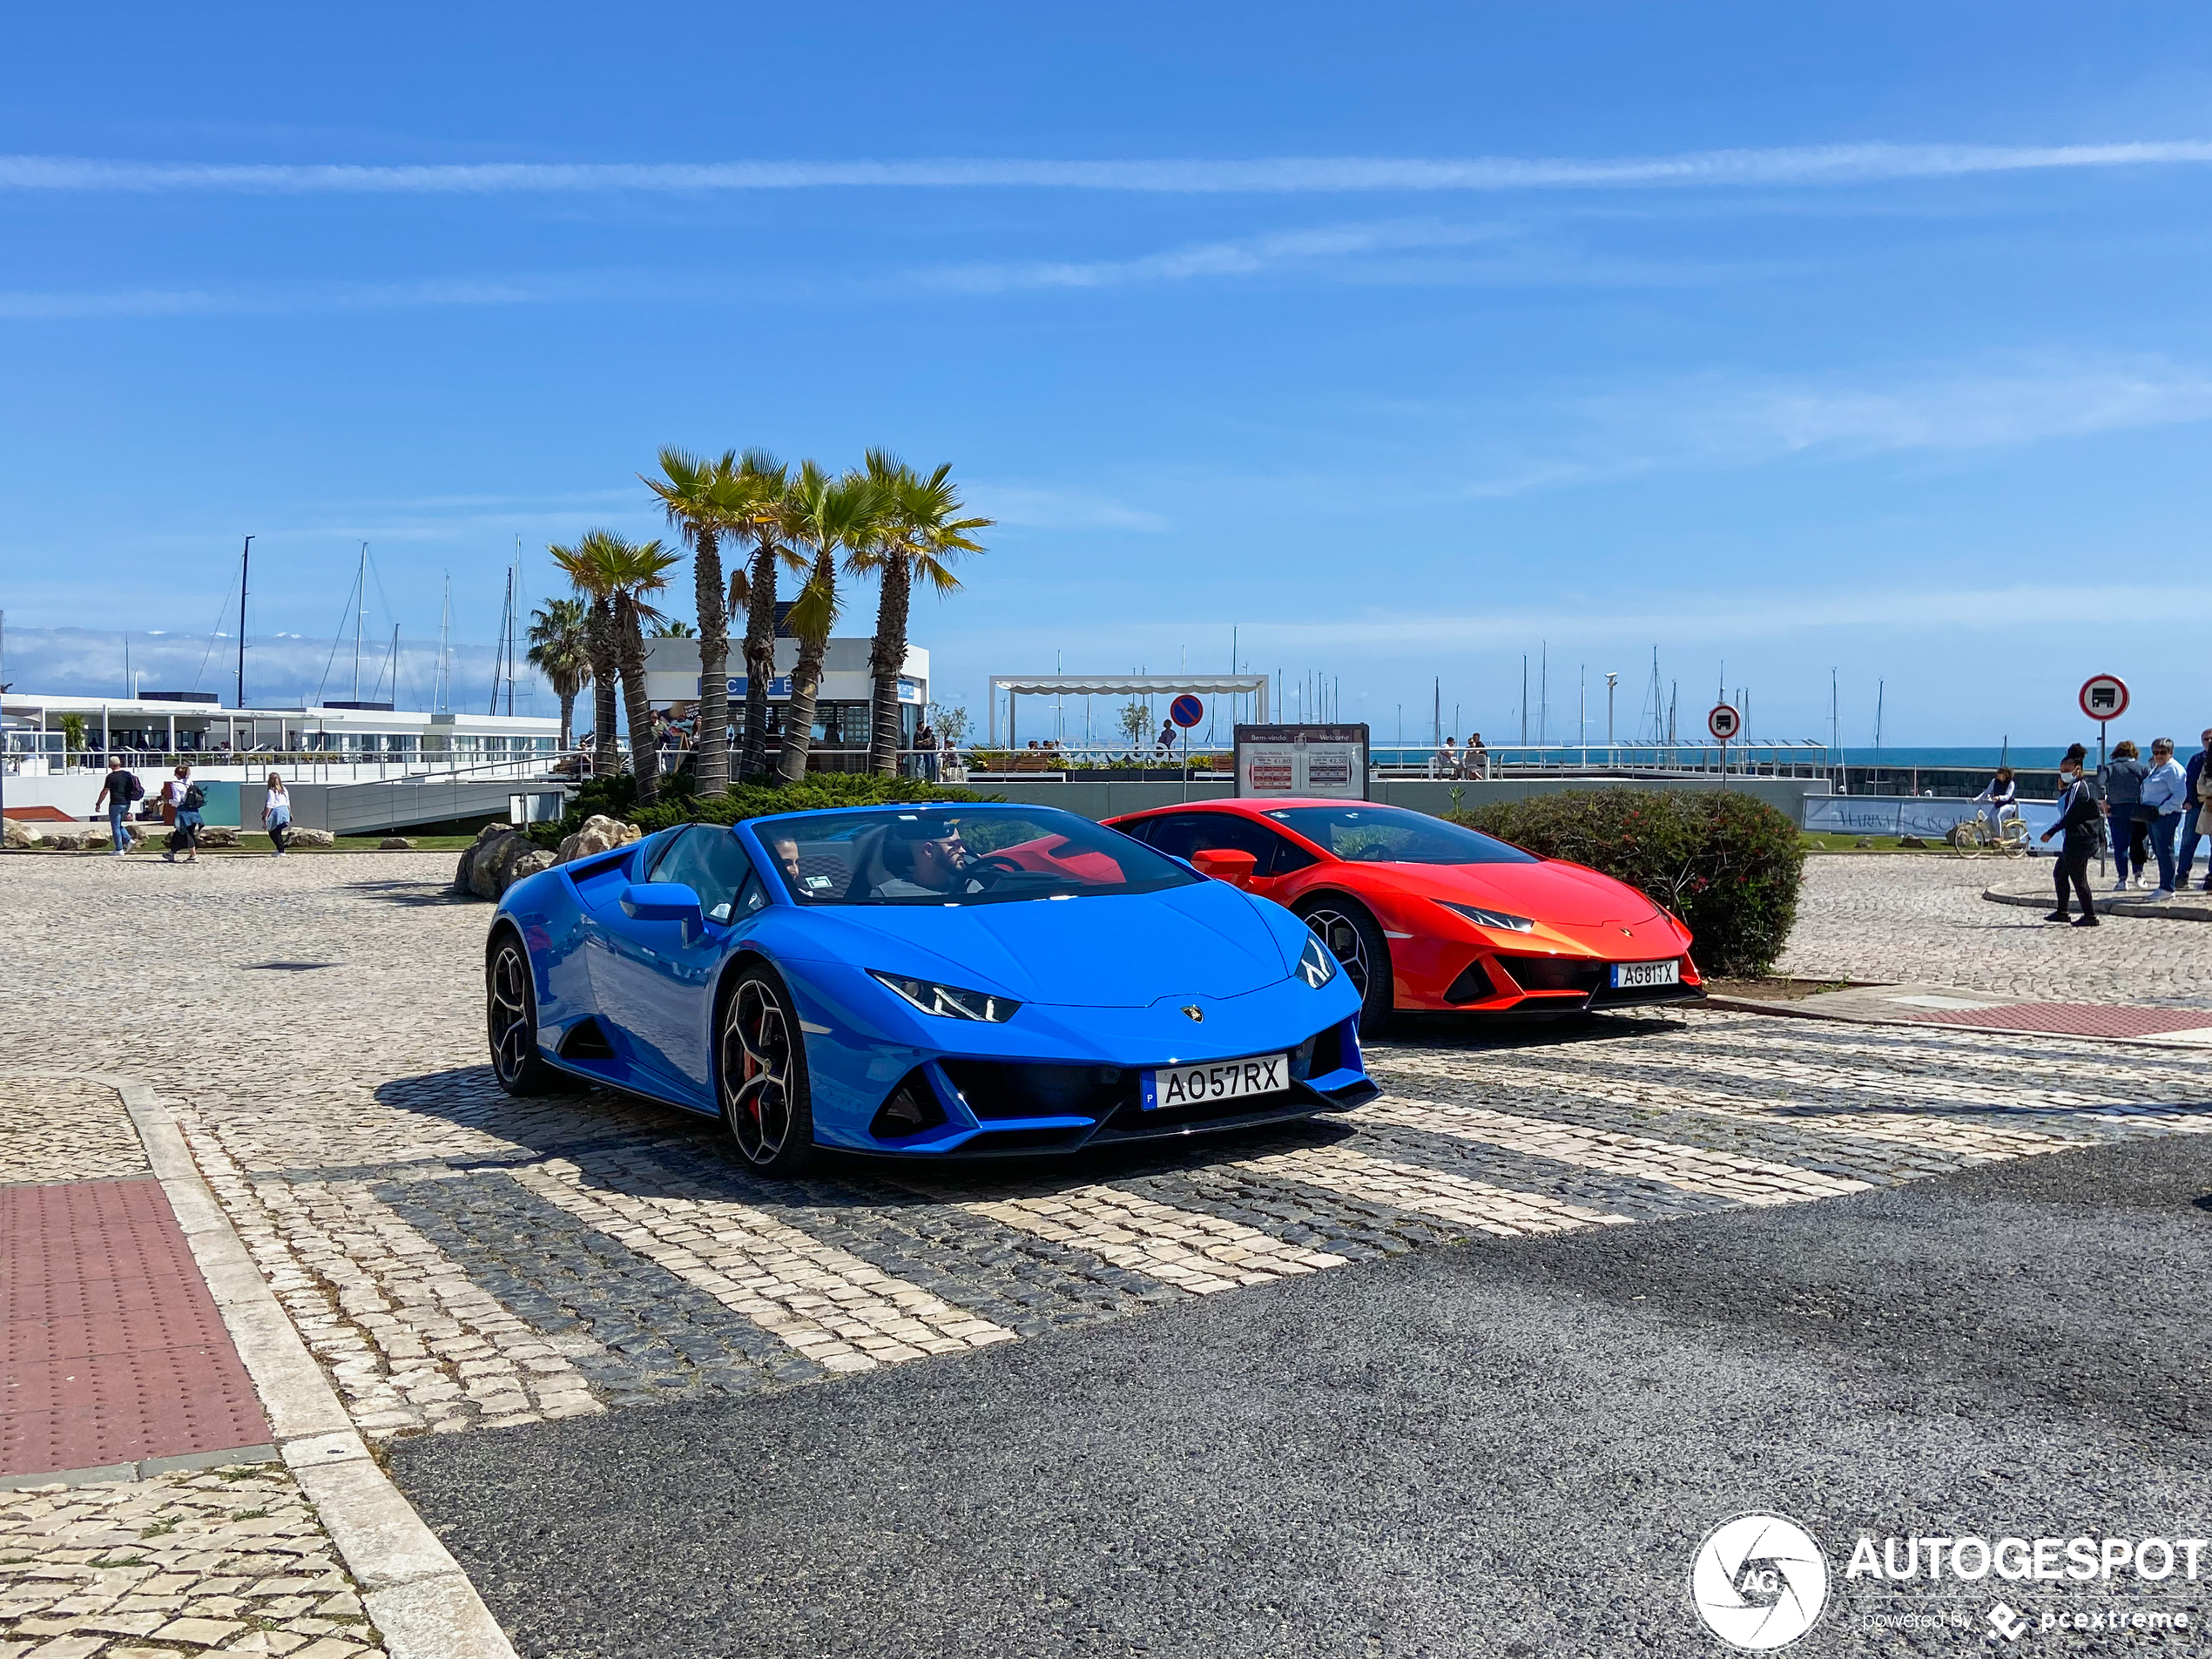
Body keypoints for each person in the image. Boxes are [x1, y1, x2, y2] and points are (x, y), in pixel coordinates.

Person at [2040, 744, 2101, 926]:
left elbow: (2070, 815)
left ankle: (2090, 916)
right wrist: (2063, 791)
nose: (2063, 774)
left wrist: (2051, 832)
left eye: (2067, 770)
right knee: (2060, 873)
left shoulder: (2079, 788)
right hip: (2078, 839)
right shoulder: (2078, 787)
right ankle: (2062, 911)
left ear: (2078, 770)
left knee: (2079, 878)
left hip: (2079, 840)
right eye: (2061, 771)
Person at [871, 819, 985, 898]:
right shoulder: (887, 894)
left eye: (962, 844)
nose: (962, 850)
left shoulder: (972, 887)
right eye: (954, 845)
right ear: (929, 851)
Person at [2140, 738, 2188, 900]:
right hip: (2152, 815)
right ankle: (2164, 885)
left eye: (2162, 752)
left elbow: (2180, 795)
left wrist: (2161, 810)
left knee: (2165, 850)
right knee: (2159, 850)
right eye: (2155, 752)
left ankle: (2168, 888)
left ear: (2170, 753)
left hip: (2165, 815)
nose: (2159, 755)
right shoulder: (2158, 768)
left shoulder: (2173, 770)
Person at [2099, 739, 2148, 890]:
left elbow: (2099, 785)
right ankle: (2138, 875)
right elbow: (2149, 787)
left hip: (2116, 809)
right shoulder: (2141, 768)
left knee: (2120, 845)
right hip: (2137, 809)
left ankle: (2122, 879)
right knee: (2138, 843)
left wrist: (2103, 803)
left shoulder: (2109, 768)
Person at [2180, 728, 2212, 893]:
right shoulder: (2196, 759)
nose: (2209, 742)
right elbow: (2189, 781)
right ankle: (2182, 876)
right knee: (2188, 842)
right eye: (2206, 739)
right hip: (2196, 806)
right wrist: (2187, 801)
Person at [91, 757, 140, 857]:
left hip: (115, 803)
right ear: (120, 763)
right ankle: (128, 840)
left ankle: (119, 849)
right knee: (118, 824)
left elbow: (105, 791)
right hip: (126, 803)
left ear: (110, 765)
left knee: (115, 827)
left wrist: (98, 803)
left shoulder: (111, 777)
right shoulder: (128, 775)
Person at [158, 765, 203, 863]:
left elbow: (177, 801)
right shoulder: (190, 782)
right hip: (193, 811)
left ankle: (193, 856)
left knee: (187, 833)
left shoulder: (175, 785)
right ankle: (171, 852)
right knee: (179, 832)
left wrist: (167, 801)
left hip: (183, 812)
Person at [262, 772, 292, 856]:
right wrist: (290, 813)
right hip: (284, 810)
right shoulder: (284, 789)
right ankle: (280, 849)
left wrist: (266, 816)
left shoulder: (272, 791)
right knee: (277, 831)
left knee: (274, 831)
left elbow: (270, 804)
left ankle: (281, 850)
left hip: (277, 812)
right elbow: (287, 802)